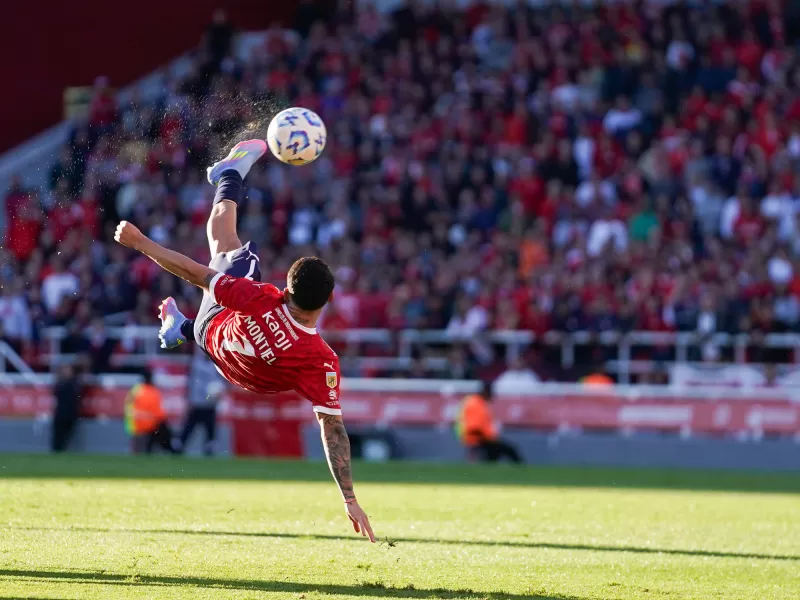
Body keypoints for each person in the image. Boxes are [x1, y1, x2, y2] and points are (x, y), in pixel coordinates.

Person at [113, 139, 374, 542]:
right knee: (225, 256)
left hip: (212, 331)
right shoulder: (321, 361)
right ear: (330, 300)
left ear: (286, 291)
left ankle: (228, 175)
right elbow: (332, 430)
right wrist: (349, 498)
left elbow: (193, 272)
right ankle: (177, 328)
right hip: (230, 366)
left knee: (228, 248)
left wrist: (141, 243)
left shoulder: (263, 299)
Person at [456, 381, 522, 464]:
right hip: (478, 440)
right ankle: (521, 471)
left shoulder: (476, 402)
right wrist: (489, 439)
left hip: (479, 439)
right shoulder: (476, 404)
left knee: (495, 454)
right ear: (485, 392)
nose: (492, 396)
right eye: (491, 393)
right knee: (510, 450)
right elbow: (474, 427)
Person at [178, 348, 224, 456]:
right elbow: (190, 383)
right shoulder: (196, 364)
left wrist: (219, 392)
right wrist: (188, 398)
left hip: (209, 403)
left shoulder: (215, 365)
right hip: (197, 402)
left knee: (209, 428)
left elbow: (220, 383)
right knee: (190, 427)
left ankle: (209, 447)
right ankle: (179, 446)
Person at [125, 369, 176, 454]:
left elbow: (128, 407)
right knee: (162, 429)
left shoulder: (135, 390)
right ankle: (169, 449)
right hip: (149, 426)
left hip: (134, 426)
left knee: (137, 449)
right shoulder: (154, 392)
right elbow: (160, 415)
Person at [51, 363, 83, 452]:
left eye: (68, 370)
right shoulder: (60, 383)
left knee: (67, 438)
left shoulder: (74, 383)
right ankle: (57, 452)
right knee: (57, 438)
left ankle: (63, 451)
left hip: (70, 414)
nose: (66, 372)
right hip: (60, 414)